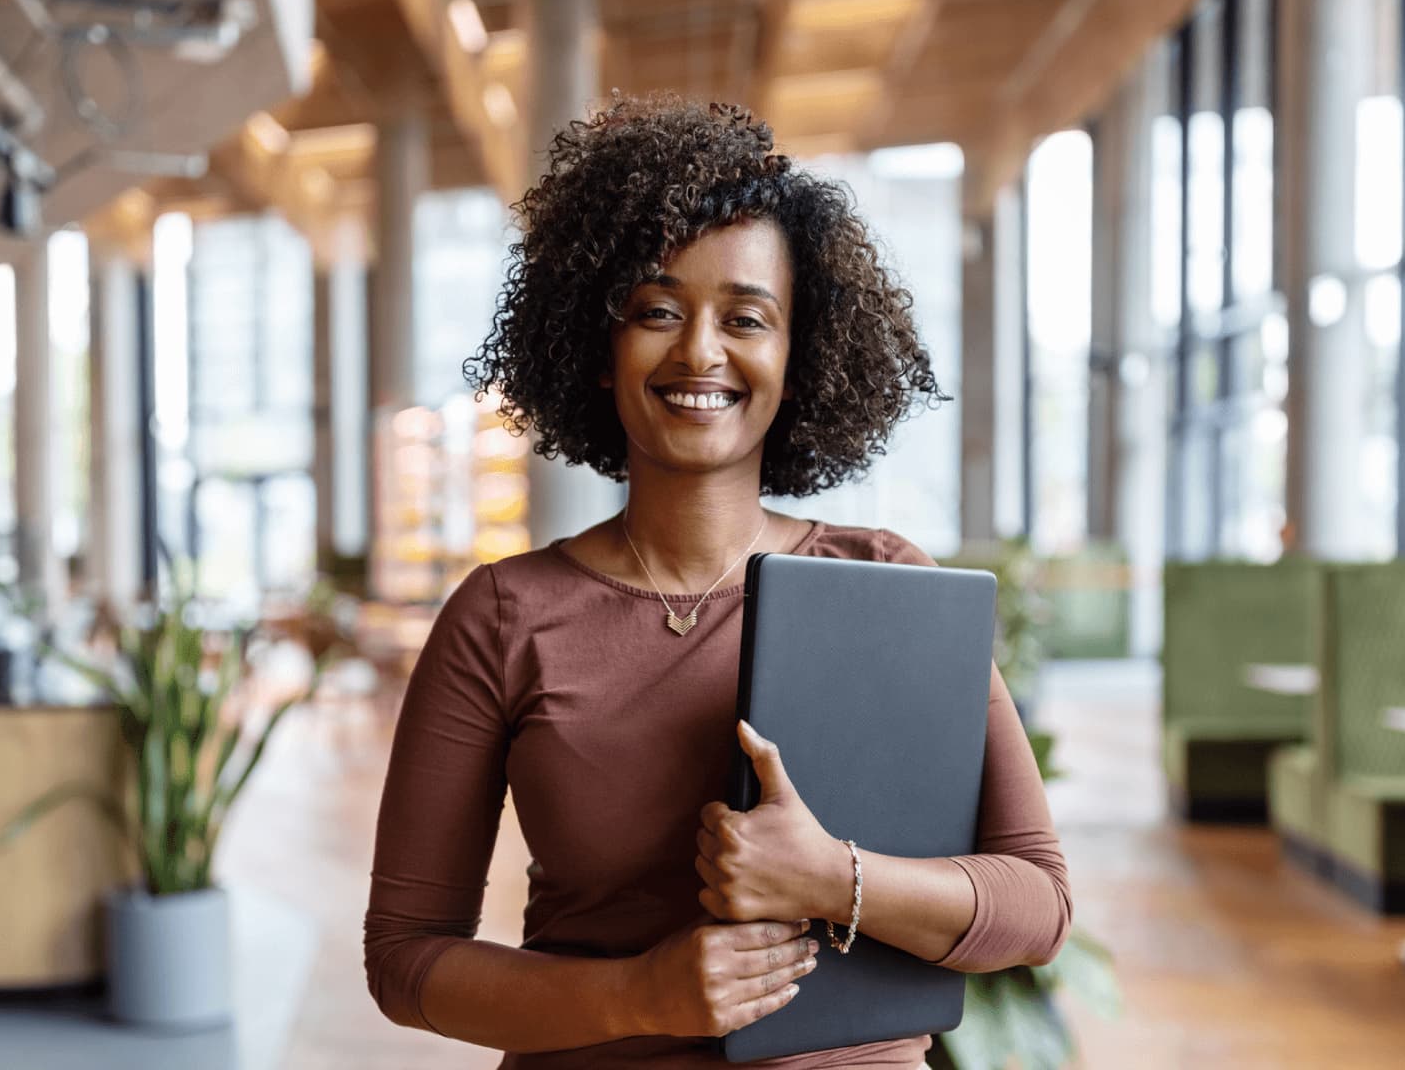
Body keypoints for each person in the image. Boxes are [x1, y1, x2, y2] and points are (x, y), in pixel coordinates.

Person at [363, 93, 1073, 1068]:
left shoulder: (887, 587)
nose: (700, 351)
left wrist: (833, 879)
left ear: (798, 352)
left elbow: (1039, 906)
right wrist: (638, 993)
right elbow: (405, 963)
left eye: (747, 316)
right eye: (657, 311)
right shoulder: (503, 617)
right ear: (596, 345)